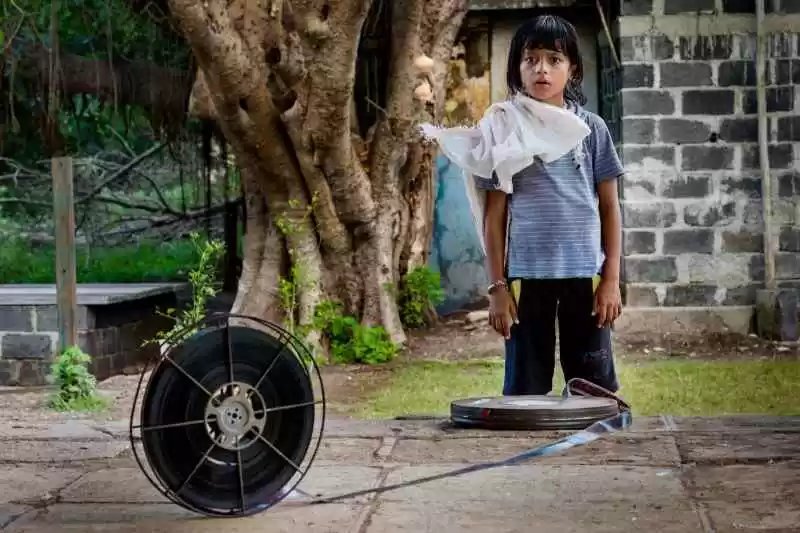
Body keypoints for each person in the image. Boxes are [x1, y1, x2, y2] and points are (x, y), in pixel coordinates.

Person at [477, 15, 625, 396]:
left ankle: (596, 456)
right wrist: (497, 287)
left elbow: (610, 208)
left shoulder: (591, 129)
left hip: (585, 276)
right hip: (527, 278)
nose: (542, 69)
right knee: (525, 392)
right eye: (531, 59)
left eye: (554, 60)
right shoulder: (504, 130)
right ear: (517, 68)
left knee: (593, 393)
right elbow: (495, 216)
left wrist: (610, 280)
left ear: (572, 69)